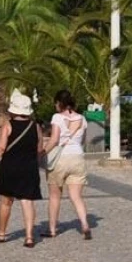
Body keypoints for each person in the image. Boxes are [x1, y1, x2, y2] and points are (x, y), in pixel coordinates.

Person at [0, 90, 43, 248]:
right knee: (27, 202)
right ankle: (29, 237)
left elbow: (0, 148)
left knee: (6, 202)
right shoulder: (35, 127)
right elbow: (39, 150)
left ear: (13, 110)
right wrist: (34, 164)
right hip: (29, 169)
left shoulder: (7, 125)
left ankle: (1, 234)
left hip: (10, 168)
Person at [41, 89, 92, 240]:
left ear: (59, 103)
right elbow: (83, 141)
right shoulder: (82, 119)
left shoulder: (57, 117)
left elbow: (55, 139)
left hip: (60, 159)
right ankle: (84, 225)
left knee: (55, 196)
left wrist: (42, 152)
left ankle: (52, 229)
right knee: (76, 196)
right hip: (78, 158)